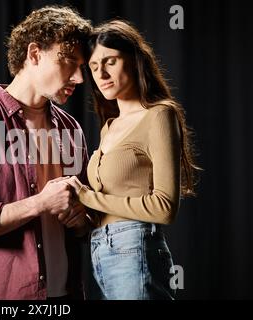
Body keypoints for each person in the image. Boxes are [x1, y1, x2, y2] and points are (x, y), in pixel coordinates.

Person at [0, 6, 93, 300]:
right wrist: (40, 203)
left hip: (66, 295)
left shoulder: (70, 129)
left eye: (83, 66)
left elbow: (88, 218)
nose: (79, 77)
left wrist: (82, 220)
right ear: (35, 54)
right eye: (69, 62)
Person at [63, 20, 200, 300]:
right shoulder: (109, 126)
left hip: (134, 247)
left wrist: (87, 197)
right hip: (101, 249)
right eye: (93, 66)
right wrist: (83, 217)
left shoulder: (159, 115)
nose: (101, 73)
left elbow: (164, 208)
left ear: (134, 60)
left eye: (110, 61)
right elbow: (110, 204)